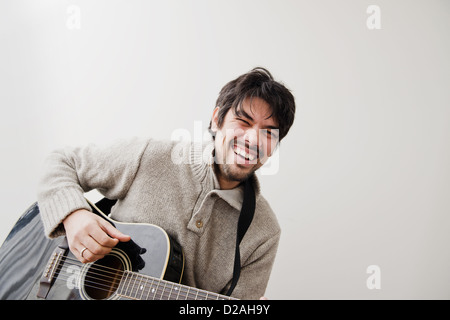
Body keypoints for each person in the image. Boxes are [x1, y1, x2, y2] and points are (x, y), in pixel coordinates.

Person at [37, 67, 296, 300]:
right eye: (244, 121)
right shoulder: (149, 157)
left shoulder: (264, 233)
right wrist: (73, 215)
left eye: (268, 132)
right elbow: (61, 161)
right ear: (217, 120)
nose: (253, 139)